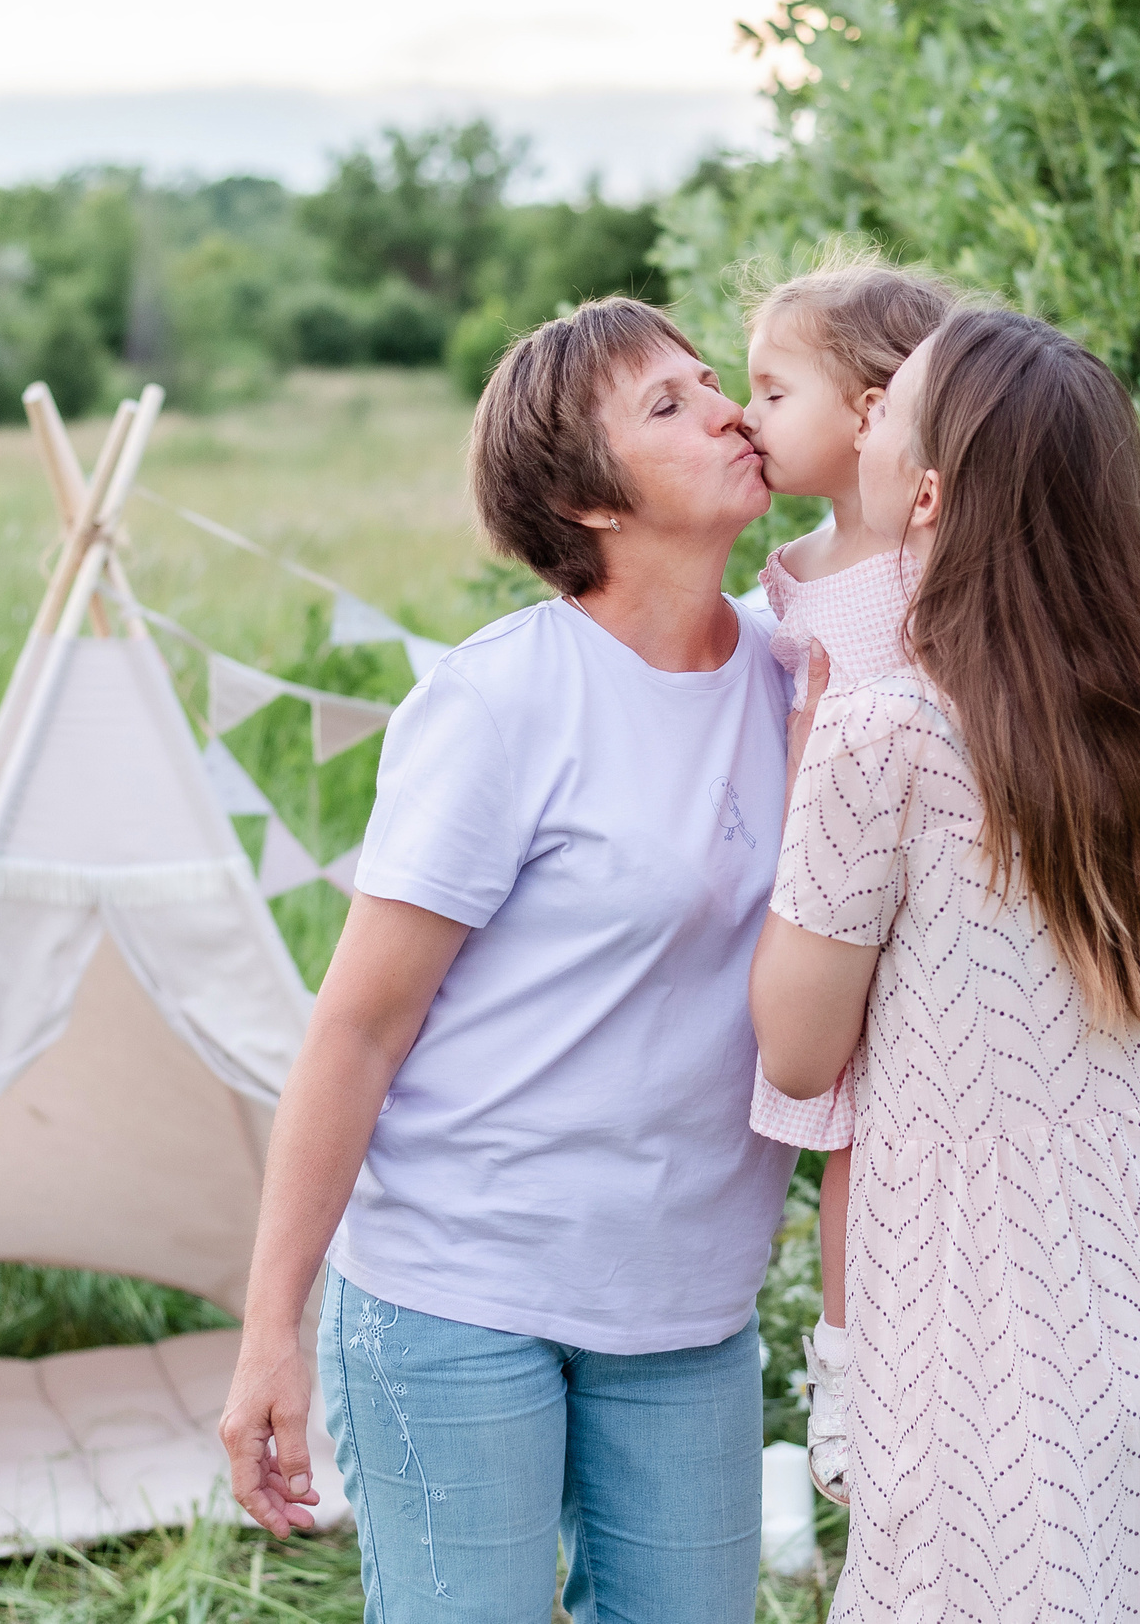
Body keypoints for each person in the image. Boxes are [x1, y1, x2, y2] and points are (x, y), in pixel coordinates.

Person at [218, 297, 798, 1623]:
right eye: (668, 403)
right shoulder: (499, 702)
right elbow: (356, 1033)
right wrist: (271, 1332)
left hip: (689, 1299)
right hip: (458, 1288)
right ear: (586, 498)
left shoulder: (801, 679)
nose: (726, 408)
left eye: (714, 382)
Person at [749, 308, 1140, 1620]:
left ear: (925, 494)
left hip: (993, 1282)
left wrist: (805, 758)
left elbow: (798, 1045)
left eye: (892, 410)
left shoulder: (883, 732)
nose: (865, 421)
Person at [734, 253, 960, 1507]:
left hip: (920, 890)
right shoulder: (789, 570)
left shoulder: (934, 566)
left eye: (774, 392)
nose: (747, 418)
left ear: (874, 411)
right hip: (815, 888)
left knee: (887, 1145)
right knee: (842, 1140)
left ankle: (877, 1361)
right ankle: (845, 1367)